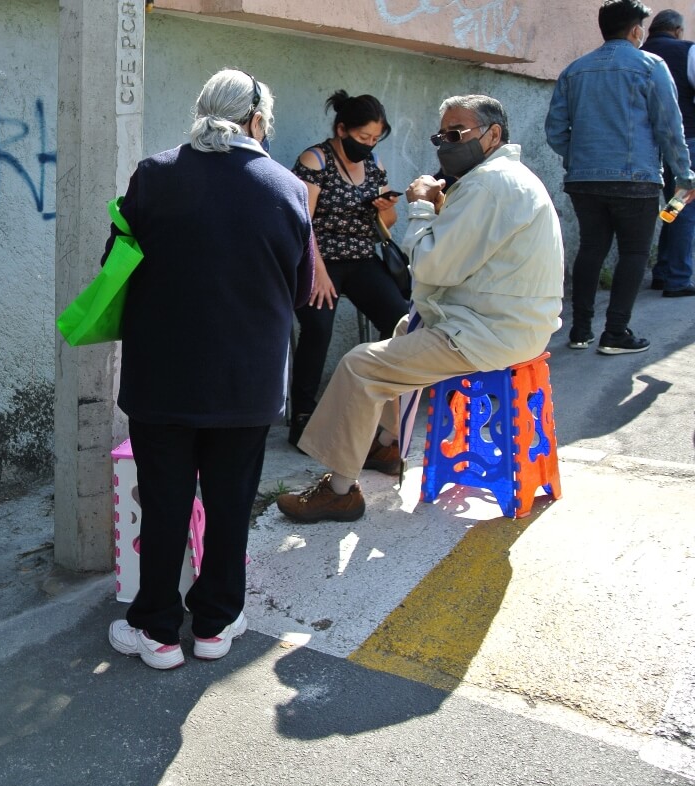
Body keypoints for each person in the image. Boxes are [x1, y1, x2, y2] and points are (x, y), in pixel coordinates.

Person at [106, 69, 313, 668]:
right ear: (258, 120)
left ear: (200, 112)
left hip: (163, 377)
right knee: (229, 503)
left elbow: (119, 262)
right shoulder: (286, 187)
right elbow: (300, 291)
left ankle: (158, 632)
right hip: (246, 382)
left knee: (166, 502)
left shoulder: (154, 174)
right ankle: (217, 624)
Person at [276, 94, 563, 523]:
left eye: (457, 133)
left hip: (487, 331)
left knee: (359, 365)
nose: (446, 143)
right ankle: (389, 441)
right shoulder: (506, 177)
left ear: (494, 134)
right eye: (442, 135)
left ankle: (339, 490)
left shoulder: (488, 184)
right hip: (509, 324)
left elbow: (430, 266)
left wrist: (422, 207)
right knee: (403, 329)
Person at [546, 0, 695, 355]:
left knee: (591, 249)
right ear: (635, 30)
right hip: (637, 179)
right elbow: (669, 128)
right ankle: (615, 333)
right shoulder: (650, 65)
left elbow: (555, 130)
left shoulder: (574, 69)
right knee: (634, 252)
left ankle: (580, 331)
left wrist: (579, 159)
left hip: (584, 180)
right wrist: (685, 175)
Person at [288, 90, 409, 461]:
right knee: (318, 327)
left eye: (374, 139)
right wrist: (318, 272)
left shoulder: (374, 165)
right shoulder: (315, 160)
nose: (368, 146)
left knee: (400, 320)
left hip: (360, 257)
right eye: (362, 138)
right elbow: (301, 221)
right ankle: (303, 417)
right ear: (341, 129)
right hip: (317, 258)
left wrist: (384, 209)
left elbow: (385, 225)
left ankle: (387, 412)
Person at [642, 9, 695, 297]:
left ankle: (663, 271)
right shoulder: (688, 51)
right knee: (684, 204)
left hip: (648, 144)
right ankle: (677, 277)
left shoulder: (638, 52)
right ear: (677, 30)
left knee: (673, 207)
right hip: (684, 141)